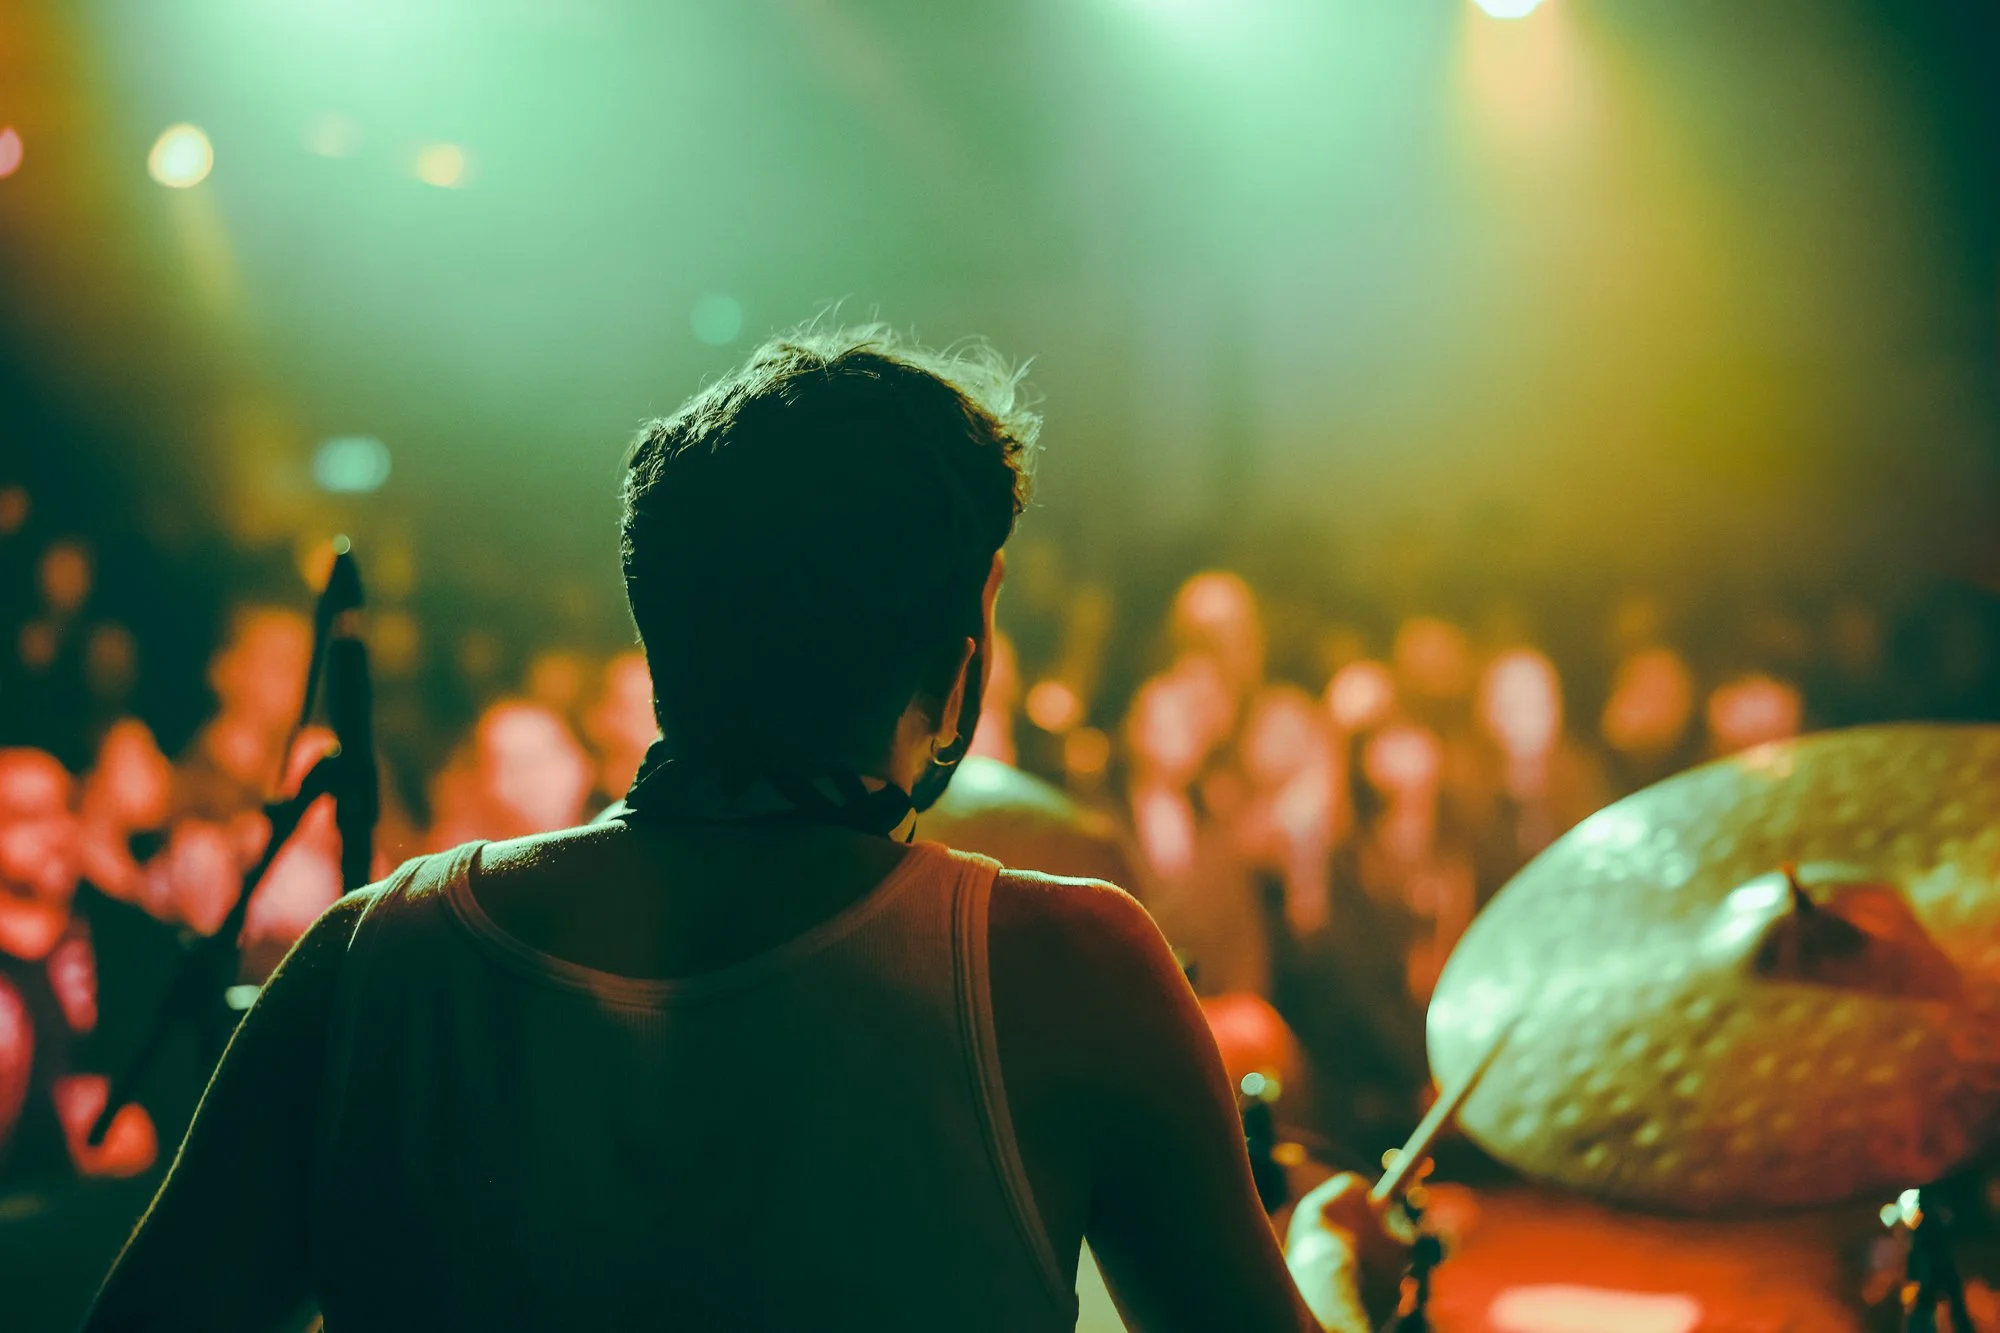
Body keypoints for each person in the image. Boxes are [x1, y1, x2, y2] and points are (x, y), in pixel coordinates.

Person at [87, 328, 1400, 1331]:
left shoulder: (368, 963)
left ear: (662, 623)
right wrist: (1338, 1272)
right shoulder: (1068, 970)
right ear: (967, 643)